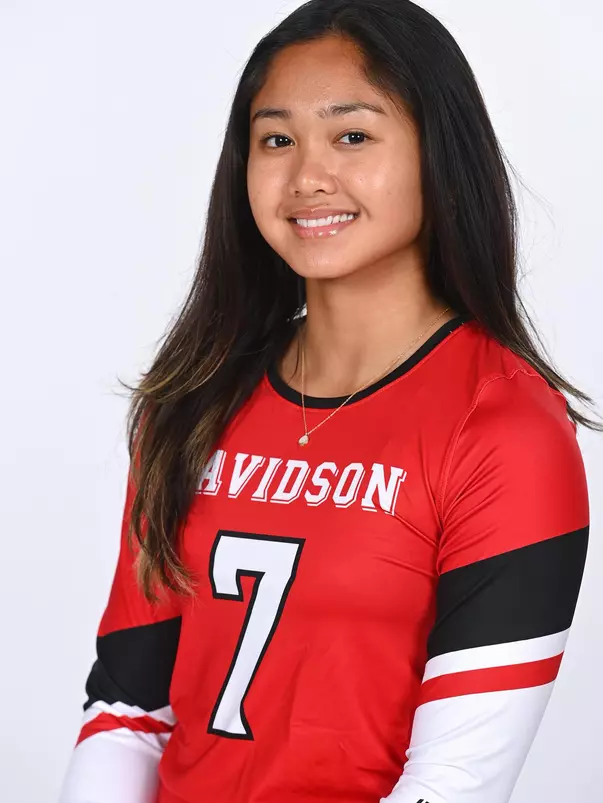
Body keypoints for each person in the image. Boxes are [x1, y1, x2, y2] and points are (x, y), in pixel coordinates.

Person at [59, 1, 600, 802]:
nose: (307, 176)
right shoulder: (192, 399)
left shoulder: (507, 428)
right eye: (275, 139)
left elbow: (454, 783)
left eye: (352, 135)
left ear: (436, 153)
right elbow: (129, 710)